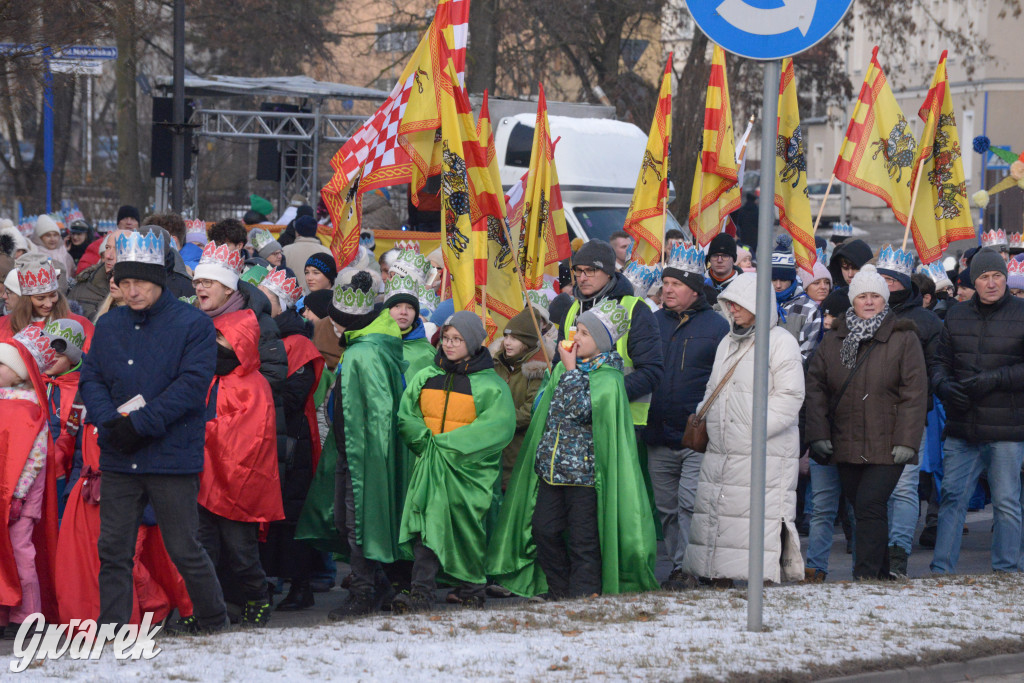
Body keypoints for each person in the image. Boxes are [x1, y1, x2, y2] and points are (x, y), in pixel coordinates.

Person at [78, 230, 228, 633]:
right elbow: (90, 378)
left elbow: (191, 387)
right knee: (113, 550)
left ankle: (215, 621)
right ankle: (112, 629)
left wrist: (138, 425)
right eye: (124, 282)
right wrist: (111, 422)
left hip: (170, 454)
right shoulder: (110, 324)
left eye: (139, 282)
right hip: (119, 454)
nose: (131, 290)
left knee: (183, 547)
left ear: (158, 280)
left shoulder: (193, 324)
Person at [489, 299, 659, 598]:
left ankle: (584, 595)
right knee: (544, 531)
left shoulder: (608, 378)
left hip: (585, 476)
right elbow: (548, 413)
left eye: (585, 333)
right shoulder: (563, 370)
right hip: (552, 471)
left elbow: (581, 411)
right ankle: (560, 590)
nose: (576, 338)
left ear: (602, 343)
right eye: (576, 330)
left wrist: (569, 372)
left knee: (584, 540)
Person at [682, 273, 805, 585]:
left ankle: (758, 589)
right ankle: (719, 578)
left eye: (738, 303)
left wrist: (752, 431)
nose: (732, 309)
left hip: (762, 451)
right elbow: (714, 388)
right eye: (728, 303)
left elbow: (790, 396)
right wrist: (707, 419)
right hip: (723, 448)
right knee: (721, 518)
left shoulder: (781, 342)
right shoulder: (727, 341)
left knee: (755, 523)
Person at [805, 264, 927, 580]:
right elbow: (815, 387)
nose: (869, 301)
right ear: (852, 300)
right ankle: (882, 572)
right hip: (845, 440)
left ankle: (867, 575)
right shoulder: (834, 339)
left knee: (870, 504)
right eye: (863, 296)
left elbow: (915, 393)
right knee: (862, 509)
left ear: (885, 300)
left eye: (876, 295)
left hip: (888, 441)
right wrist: (818, 433)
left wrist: (907, 440)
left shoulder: (903, 337)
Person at [392, 313, 515, 612]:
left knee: (465, 530)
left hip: (467, 472)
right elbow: (407, 415)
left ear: (471, 342)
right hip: (430, 467)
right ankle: (421, 592)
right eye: (446, 338)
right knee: (425, 527)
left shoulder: (490, 386)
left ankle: (472, 588)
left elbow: (497, 427)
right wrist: (424, 442)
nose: (449, 345)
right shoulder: (426, 375)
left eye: (457, 339)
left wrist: (445, 447)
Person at [309, 269, 408, 619]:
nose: (333, 327)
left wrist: (370, 458)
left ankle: (366, 591)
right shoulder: (361, 346)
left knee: (357, 523)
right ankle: (379, 583)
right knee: (344, 520)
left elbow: (379, 412)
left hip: (362, 456)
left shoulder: (365, 353)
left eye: (338, 321)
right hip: (349, 450)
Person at [930, 248, 1024, 574]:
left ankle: (1007, 571)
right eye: (984, 277)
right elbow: (940, 362)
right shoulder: (956, 316)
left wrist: (997, 378)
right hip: (963, 424)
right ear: (974, 281)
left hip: (1006, 427)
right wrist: (943, 385)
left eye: (997, 275)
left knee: (1007, 503)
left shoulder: (1022, 312)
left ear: (1005, 277)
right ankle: (941, 570)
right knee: (952, 499)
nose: (991, 283)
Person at [644, 244, 728, 589]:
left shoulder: (718, 326)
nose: (667, 289)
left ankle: (696, 567)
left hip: (696, 435)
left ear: (694, 289)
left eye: (675, 284)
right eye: (665, 283)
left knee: (691, 504)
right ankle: (680, 566)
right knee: (666, 508)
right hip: (657, 434)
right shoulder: (650, 323)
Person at [198, 310, 284, 626]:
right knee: (203, 551)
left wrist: (199, 431)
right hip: (203, 480)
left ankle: (257, 601)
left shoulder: (253, 385)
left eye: (223, 338)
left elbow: (247, 436)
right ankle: (207, 610)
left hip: (238, 488)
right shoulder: (208, 376)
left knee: (241, 554)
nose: (216, 343)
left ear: (241, 345)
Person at [256, 267, 325, 612]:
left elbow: (296, 396)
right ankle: (266, 583)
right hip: (263, 440)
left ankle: (300, 585)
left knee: (291, 516)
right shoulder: (260, 336)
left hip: (291, 443)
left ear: (281, 305)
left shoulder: (297, 343)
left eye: (266, 300)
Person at [876, 245, 942, 577]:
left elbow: (935, 372)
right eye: (881, 279)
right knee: (874, 488)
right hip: (870, 416)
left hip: (910, 417)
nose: (885, 286)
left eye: (892, 280)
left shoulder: (927, 322)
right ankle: (874, 552)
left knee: (903, 487)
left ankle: (898, 552)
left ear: (904, 282)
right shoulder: (866, 314)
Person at [558, 239, 663, 431]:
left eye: (590, 270)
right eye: (578, 270)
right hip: (573, 423)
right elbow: (559, 365)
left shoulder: (634, 309)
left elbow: (651, 373)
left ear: (608, 273)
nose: (582, 277)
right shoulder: (571, 309)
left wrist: (599, 396)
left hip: (621, 423)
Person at [0, 328, 61, 634]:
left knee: (21, 551)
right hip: (5, 496)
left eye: (1, 365)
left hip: (20, 500)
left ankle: (27, 615)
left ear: (20, 372)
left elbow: (34, 458)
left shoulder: (29, 410)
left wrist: (19, 496)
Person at [492, 307, 552, 491]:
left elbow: (531, 410)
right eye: (507, 336)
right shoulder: (497, 364)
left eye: (515, 338)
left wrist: (497, 421)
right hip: (495, 448)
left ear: (526, 342)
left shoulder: (538, 370)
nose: (508, 342)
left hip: (519, 450)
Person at [1, 256, 94, 348]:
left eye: (53, 295)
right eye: (40, 298)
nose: (49, 304)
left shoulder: (81, 325)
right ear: (25, 300)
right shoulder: (4, 326)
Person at [69, 229, 133, 321]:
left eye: (117, 249)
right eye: (107, 248)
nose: (108, 256)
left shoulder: (142, 294)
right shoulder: (83, 285)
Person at [797, 260, 832, 360]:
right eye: (816, 283)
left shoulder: (836, 306)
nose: (823, 287)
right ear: (805, 287)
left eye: (827, 282)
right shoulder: (797, 310)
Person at [282, 216, 327, 292]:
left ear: (297, 232)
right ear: (315, 231)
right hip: (317, 297)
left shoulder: (285, 251)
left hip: (291, 296)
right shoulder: (326, 252)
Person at [704, 233, 742, 302]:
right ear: (709, 259)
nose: (719, 260)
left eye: (725, 256)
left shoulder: (744, 286)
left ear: (733, 259)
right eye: (715, 256)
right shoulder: (700, 283)